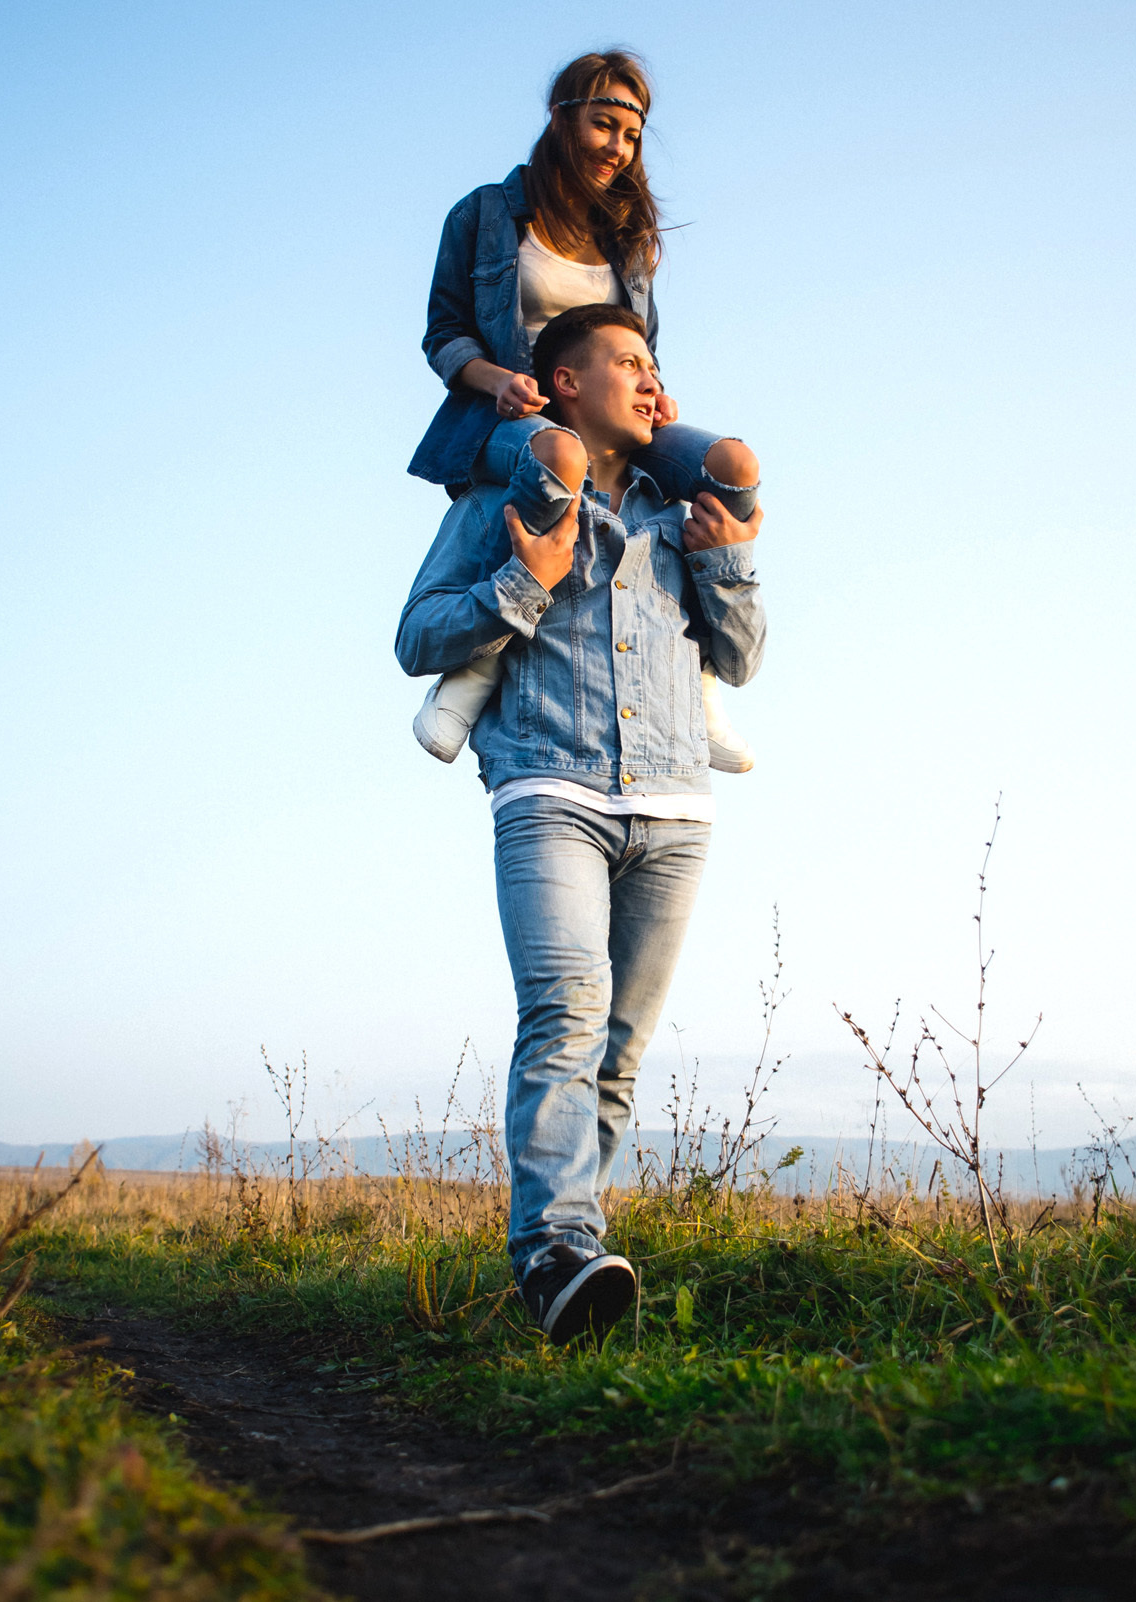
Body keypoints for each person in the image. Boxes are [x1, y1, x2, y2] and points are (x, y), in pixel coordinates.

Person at [395, 301, 767, 1342]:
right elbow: (417, 635)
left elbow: (739, 661)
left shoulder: (676, 506)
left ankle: (573, 1272)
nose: (653, 383)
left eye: (656, 365)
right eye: (629, 362)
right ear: (564, 384)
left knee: (618, 1051)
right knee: (563, 1013)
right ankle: (554, 1248)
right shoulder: (504, 498)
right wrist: (527, 579)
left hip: (676, 804)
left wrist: (728, 559)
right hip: (549, 791)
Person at [406, 50, 763, 774]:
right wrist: (494, 379)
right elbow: (443, 333)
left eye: (631, 136)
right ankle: (474, 673)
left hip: (608, 409)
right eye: (604, 125)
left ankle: (698, 681)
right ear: (561, 118)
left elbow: (642, 343)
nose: (618, 149)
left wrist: (652, 386)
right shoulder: (484, 214)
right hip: (511, 419)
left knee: (732, 467)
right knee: (559, 456)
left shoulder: (627, 236)